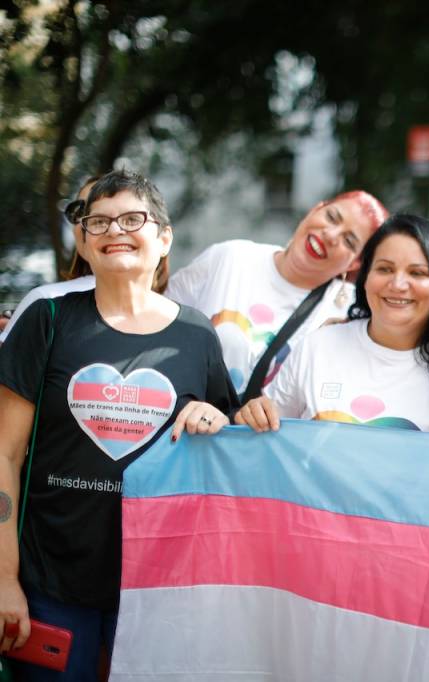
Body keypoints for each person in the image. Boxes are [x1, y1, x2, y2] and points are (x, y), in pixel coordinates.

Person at [0, 170, 238, 680]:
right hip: (51, 585)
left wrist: (220, 417)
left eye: (133, 219)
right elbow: (4, 453)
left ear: (164, 237)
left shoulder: (198, 335)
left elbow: (226, 448)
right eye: (98, 222)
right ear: (83, 242)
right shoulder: (47, 317)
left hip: (159, 589)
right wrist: (3, 578)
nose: (114, 231)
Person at [235, 214, 429, 434]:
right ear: (365, 278)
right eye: (385, 269)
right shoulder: (319, 346)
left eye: (417, 273)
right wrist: (255, 414)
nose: (398, 284)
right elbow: (266, 431)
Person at [165, 189, 388, 397]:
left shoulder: (351, 311)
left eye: (349, 241)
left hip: (271, 438)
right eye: (331, 217)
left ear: (355, 263)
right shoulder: (229, 258)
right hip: (187, 431)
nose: (331, 235)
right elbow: (156, 322)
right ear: (315, 210)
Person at [0, 177, 103, 345]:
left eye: (129, 218)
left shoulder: (160, 310)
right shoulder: (47, 301)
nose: (86, 222)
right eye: (79, 211)